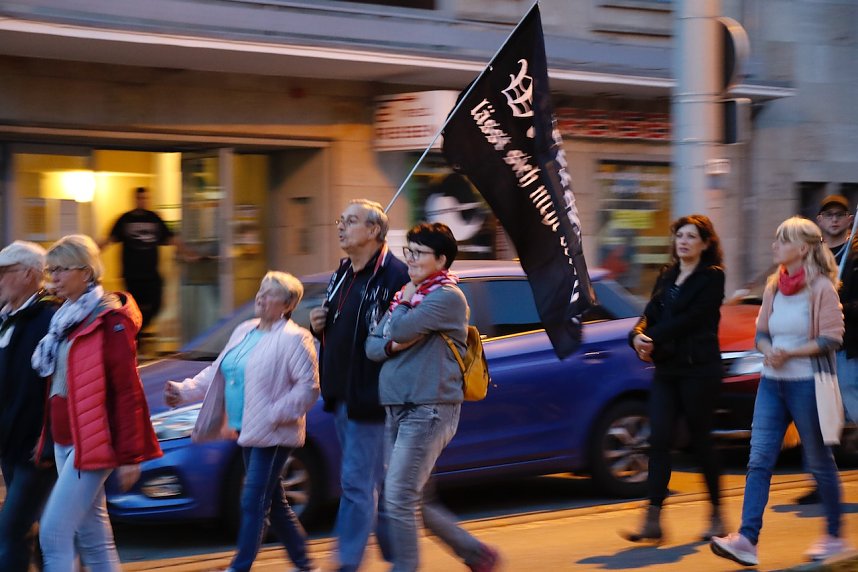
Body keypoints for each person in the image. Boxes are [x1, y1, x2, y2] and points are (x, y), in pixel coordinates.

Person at [711, 216, 848, 567]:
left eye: (782, 240)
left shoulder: (822, 289)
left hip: (806, 385)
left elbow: (832, 338)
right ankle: (747, 539)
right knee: (758, 460)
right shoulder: (774, 285)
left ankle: (834, 537)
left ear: (802, 248)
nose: (775, 246)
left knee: (818, 462)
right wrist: (766, 347)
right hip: (772, 384)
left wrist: (792, 352)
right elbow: (762, 331)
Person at [164, 271, 320, 572]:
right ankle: (305, 564)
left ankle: (240, 567)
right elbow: (217, 370)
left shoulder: (295, 339)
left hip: (274, 434)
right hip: (247, 428)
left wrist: (274, 413)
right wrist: (183, 391)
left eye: (270, 293)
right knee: (273, 500)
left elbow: (309, 389)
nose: (260, 296)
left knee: (253, 501)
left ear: (287, 304)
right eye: (261, 289)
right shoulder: (245, 330)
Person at [366, 222, 500, 572]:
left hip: (428, 410)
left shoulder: (447, 298)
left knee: (398, 498)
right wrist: (397, 335)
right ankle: (476, 553)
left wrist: (399, 321)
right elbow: (373, 347)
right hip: (397, 407)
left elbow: (396, 329)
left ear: (441, 259)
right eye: (408, 250)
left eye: (419, 252)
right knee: (416, 499)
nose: (410, 258)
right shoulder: (407, 295)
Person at [31, 234, 162, 571]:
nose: (53, 278)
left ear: (86, 273)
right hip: (64, 440)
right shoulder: (64, 319)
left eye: (60, 270)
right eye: (51, 270)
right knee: (93, 535)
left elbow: (127, 389)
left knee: (53, 532)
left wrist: (132, 456)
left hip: (92, 441)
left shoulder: (109, 320)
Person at [308, 199, 408, 571]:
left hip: (374, 396)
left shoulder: (395, 276)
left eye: (350, 221)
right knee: (373, 482)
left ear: (373, 231)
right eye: (340, 219)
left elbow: (405, 333)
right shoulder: (343, 273)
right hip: (342, 393)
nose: (341, 226)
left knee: (356, 485)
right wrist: (318, 324)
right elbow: (338, 326)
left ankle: (346, 563)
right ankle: (401, 554)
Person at [623, 214, 726, 544]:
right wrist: (636, 335)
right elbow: (648, 314)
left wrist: (651, 337)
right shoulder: (666, 275)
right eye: (679, 235)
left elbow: (692, 320)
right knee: (658, 440)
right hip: (668, 370)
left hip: (699, 370)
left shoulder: (712, 277)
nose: (683, 241)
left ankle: (717, 515)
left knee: (699, 441)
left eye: (691, 236)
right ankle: (653, 519)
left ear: (705, 243)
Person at [795, 195, 858, 505]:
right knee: (817, 418)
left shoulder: (855, 256)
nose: (834, 219)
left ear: (849, 220)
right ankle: (821, 483)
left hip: (848, 348)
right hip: (816, 349)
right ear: (819, 220)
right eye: (828, 214)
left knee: (855, 411)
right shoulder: (812, 257)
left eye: (840, 214)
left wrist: (839, 305)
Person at [0, 241, 59, 571]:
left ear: (28, 274)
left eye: (4, 273)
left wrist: (48, 442)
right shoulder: (8, 319)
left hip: (36, 449)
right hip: (11, 445)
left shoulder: (49, 319)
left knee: (9, 533)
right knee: (30, 532)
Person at [99, 186, 196, 331]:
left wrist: (188, 253)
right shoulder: (125, 220)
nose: (143, 201)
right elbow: (109, 239)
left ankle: (138, 332)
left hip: (152, 274)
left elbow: (172, 238)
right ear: (135, 199)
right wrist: (90, 252)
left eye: (145, 198)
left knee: (156, 306)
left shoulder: (154, 219)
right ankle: (137, 337)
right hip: (131, 274)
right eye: (140, 198)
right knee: (133, 308)